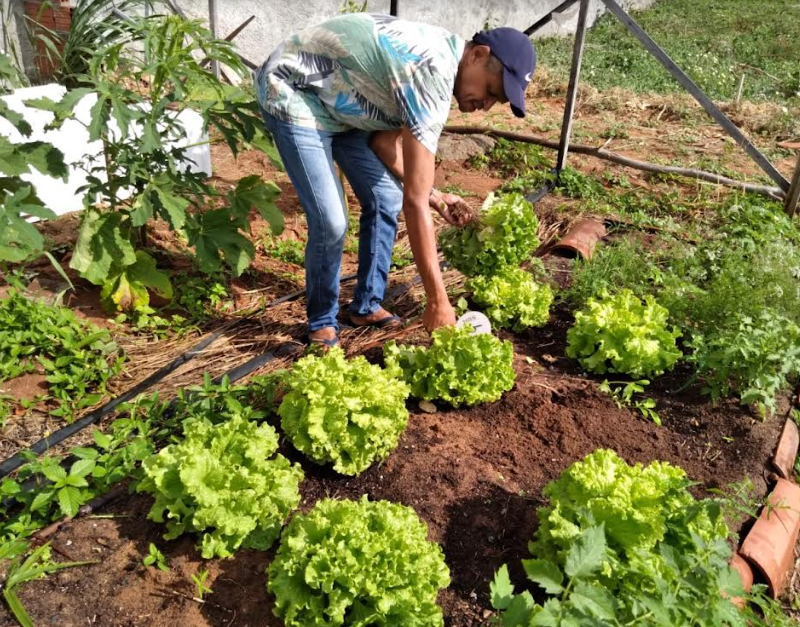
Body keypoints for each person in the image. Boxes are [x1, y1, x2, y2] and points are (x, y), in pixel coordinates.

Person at [256, 13, 536, 348]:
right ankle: (322, 321)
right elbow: (413, 202)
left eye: (496, 101)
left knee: (384, 198)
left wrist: (434, 195)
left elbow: (383, 143)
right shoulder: (432, 71)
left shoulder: (438, 71)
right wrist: (437, 300)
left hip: (342, 107)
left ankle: (365, 306)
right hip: (295, 91)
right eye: (491, 90)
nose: (486, 105)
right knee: (331, 220)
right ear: (478, 54)